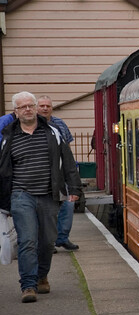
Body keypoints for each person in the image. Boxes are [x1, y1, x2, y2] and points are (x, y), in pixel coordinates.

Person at [0, 91, 82, 303]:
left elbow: (69, 162)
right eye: (22, 107)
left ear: (36, 108)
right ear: (16, 112)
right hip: (21, 195)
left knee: (47, 242)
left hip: (49, 195)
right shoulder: (8, 136)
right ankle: (28, 285)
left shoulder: (53, 132)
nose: (27, 109)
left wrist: (74, 188)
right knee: (28, 240)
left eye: (30, 105)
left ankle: (41, 275)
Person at [37, 95, 79, 251]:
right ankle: (48, 241)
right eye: (42, 105)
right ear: (37, 108)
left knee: (68, 205)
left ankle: (62, 238)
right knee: (46, 210)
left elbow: (67, 148)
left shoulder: (60, 124)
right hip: (41, 174)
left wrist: (71, 173)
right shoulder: (31, 125)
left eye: (48, 105)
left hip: (61, 173)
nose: (45, 108)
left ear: (51, 107)